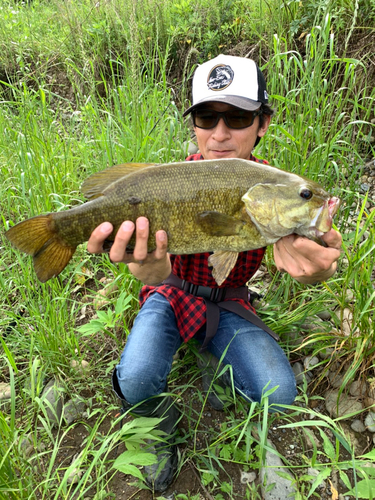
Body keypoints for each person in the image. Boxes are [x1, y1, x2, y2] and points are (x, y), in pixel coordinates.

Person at [87, 54, 342, 492]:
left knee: (277, 395)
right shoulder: (168, 179)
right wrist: (149, 271)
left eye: (238, 117)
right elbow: (150, 272)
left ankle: (210, 348)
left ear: (262, 123)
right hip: (169, 294)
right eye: (207, 117)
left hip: (230, 302)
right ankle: (161, 432)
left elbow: (313, 256)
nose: (220, 133)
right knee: (136, 378)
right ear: (194, 126)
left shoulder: (271, 190)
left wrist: (316, 269)